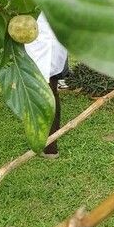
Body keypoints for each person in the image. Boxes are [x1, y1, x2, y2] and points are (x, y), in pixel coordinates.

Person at [24, 13, 68, 159]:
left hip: (46, 40)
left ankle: (50, 146)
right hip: (37, 36)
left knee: (47, 92)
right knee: (42, 93)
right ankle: (45, 143)